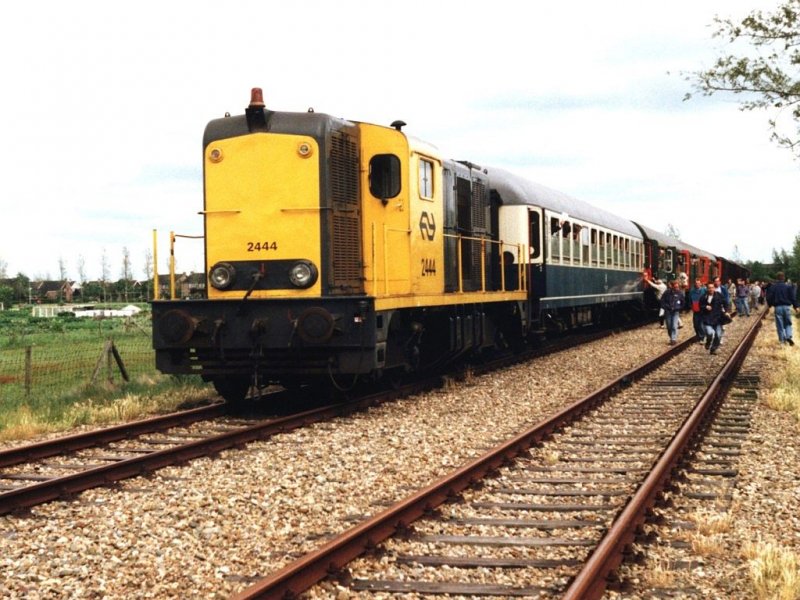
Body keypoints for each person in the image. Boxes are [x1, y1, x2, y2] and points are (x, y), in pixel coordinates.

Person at [766, 272, 800, 346]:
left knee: (780, 325)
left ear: (776, 278)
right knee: (788, 323)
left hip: (778, 308)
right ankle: (788, 336)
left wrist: (770, 305)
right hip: (787, 307)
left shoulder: (773, 287)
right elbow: (792, 297)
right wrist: (796, 306)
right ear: (784, 278)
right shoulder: (788, 287)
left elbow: (769, 297)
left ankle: (782, 341)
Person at [699, 281, 730, 355]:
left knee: (718, 335)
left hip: (717, 318)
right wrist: (705, 306)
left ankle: (713, 348)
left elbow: (725, 303)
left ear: (714, 288)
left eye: (712, 288)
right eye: (709, 288)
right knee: (710, 333)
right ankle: (708, 342)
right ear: (707, 289)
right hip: (707, 319)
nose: (711, 289)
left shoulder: (719, 295)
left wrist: (726, 311)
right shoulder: (704, 297)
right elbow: (700, 306)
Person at [660, 279, 685, 345]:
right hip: (668, 311)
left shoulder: (680, 293)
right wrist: (665, 307)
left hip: (675, 312)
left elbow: (683, 302)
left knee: (674, 326)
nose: (677, 288)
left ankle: (673, 339)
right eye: (675, 287)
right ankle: (671, 337)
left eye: (677, 287)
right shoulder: (667, 292)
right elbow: (662, 301)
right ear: (672, 286)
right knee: (669, 326)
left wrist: (679, 308)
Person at [688, 278, 707, 342]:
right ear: (695, 284)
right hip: (695, 309)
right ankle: (698, 335)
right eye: (696, 283)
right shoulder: (692, 291)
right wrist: (691, 306)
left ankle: (702, 337)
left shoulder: (704, 290)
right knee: (695, 324)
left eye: (698, 283)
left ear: (701, 284)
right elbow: (690, 299)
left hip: (702, 309)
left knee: (701, 324)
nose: (697, 284)